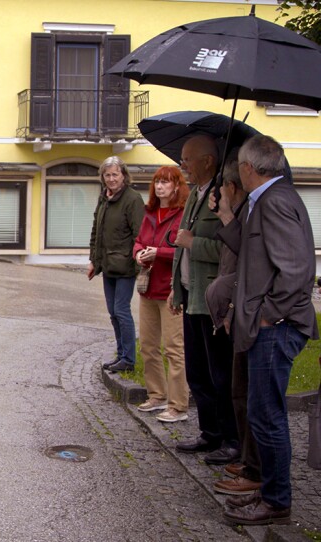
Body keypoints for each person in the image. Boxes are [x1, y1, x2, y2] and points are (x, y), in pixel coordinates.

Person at [218, 136, 317, 526]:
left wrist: (266, 316)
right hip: (271, 323)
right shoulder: (270, 199)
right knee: (263, 413)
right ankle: (269, 492)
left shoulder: (275, 201)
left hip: (276, 327)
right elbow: (257, 254)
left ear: (247, 169)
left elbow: (295, 271)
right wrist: (228, 215)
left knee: (267, 415)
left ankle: (277, 501)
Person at [169, 135, 239, 467]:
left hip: (213, 301)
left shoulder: (224, 196)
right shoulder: (196, 195)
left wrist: (194, 242)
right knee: (197, 373)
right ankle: (209, 432)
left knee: (219, 374)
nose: (182, 166)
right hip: (192, 296)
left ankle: (230, 439)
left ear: (208, 161)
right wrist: (176, 288)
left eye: (187, 159)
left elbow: (231, 250)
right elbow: (182, 245)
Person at [204, 149, 263, 498]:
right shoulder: (242, 210)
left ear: (232, 184)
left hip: (252, 315)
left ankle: (254, 469)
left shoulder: (256, 210)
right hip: (237, 311)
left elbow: (247, 261)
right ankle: (246, 459)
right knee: (240, 392)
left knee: (251, 398)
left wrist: (226, 217)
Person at [132, 166, 189, 422]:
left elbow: (185, 251)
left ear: (177, 186)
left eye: (165, 182)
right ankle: (157, 395)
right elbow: (139, 241)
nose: (160, 187)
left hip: (171, 290)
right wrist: (139, 254)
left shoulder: (182, 214)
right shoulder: (150, 212)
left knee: (174, 349)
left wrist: (159, 253)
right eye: (157, 182)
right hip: (148, 288)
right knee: (148, 346)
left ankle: (178, 405)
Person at [88, 156, 144, 374]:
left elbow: (139, 234)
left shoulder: (132, 199)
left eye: (115, 174)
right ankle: (121, 355)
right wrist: (94, 260)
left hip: (125, 266)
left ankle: (129, 359)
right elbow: (97, 231)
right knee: (112, 312)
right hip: (108, 265)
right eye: (107, 175)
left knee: (121, 311)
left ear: (124, 176)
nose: (111, 179)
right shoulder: (104, 198)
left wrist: (136, 260)